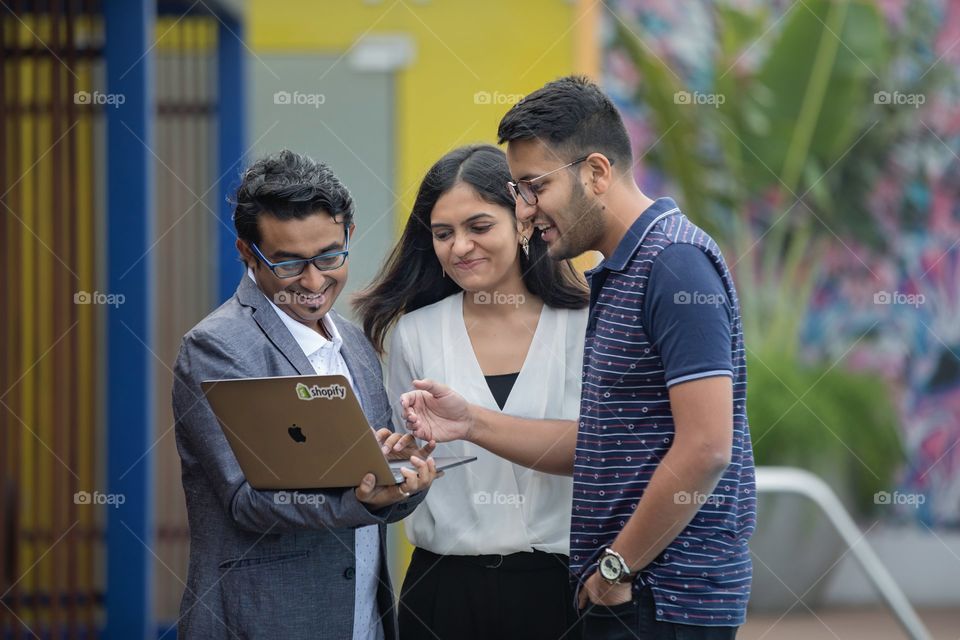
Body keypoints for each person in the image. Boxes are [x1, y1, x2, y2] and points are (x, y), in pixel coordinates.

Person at [399, 77, 756, 640]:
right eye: (517, 189)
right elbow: (604, 442)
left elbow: (709, 446)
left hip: (660, 598)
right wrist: (468, 422)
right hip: (625, 596)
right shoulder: (617, 275)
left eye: (533, 186)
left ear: (595, 172)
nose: (525, 208)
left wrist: (617, 567)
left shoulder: (675, 264)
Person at [172, 150, 439, 640]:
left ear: (350, 235)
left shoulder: (354, 344)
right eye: (289, 263)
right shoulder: (217, 347)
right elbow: (247, 500)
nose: (314, 282)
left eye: (330, 256)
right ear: (247, 253)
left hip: (364, 623)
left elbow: (370, 485)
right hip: (263, 622)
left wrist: (403, 475)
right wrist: (368, 496)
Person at [354, 144, 589, 640]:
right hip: (443, 593)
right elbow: (404, 470)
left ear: (524, 222)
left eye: (479, 227)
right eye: (443, 234)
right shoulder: (414, 334)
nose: (459, 247)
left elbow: (595, 448)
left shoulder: (584, 325)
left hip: (561, 593)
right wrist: (400, 461)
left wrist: (473, 424)